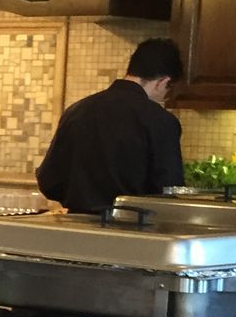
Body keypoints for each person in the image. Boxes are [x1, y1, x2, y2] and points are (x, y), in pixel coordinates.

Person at [35, 38, 185, 214]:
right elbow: (168, 191)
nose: (164, 97)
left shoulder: (77, 111)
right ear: (163, 81)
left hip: (77, 227)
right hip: (133, 231)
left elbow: (49, 181)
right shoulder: (161, 121)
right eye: (168, 89)